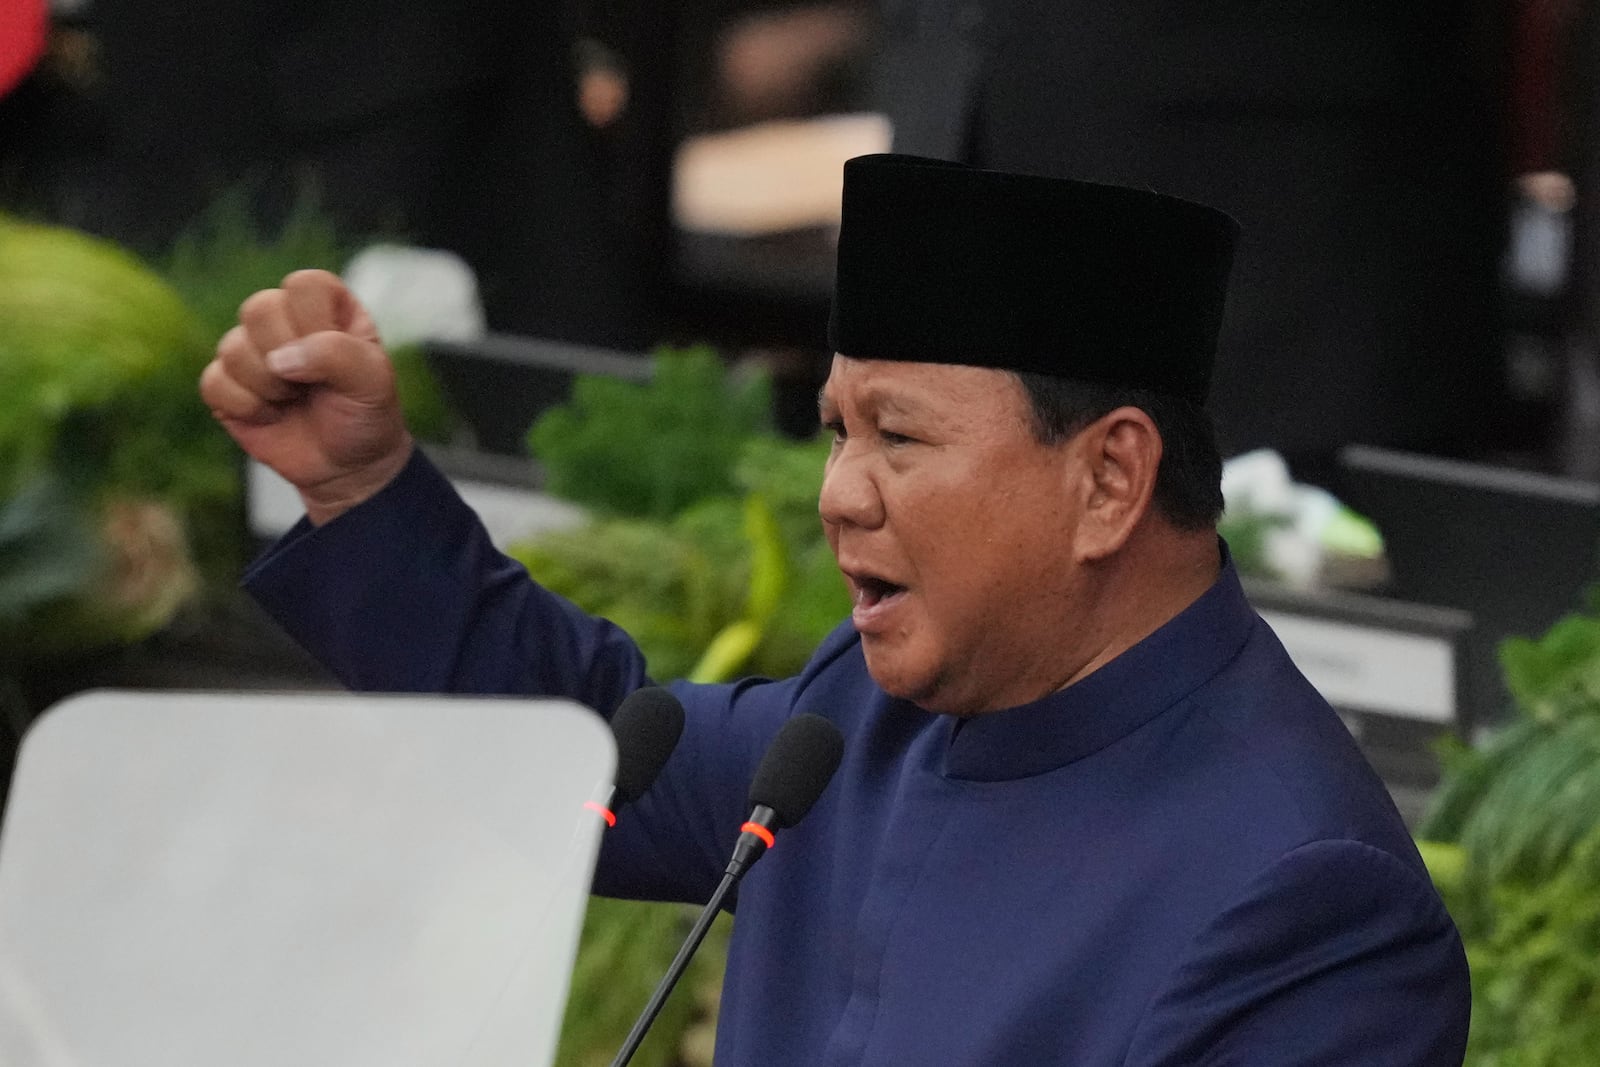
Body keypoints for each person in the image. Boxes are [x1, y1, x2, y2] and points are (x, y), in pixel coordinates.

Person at [200, 154, 1470, 1064]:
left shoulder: (1308, 900)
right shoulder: (853, 723)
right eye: (835, 430)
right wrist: (361, 486)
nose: (839, 495)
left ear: (1110, 479)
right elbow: (573, 747)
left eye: (898, 438)